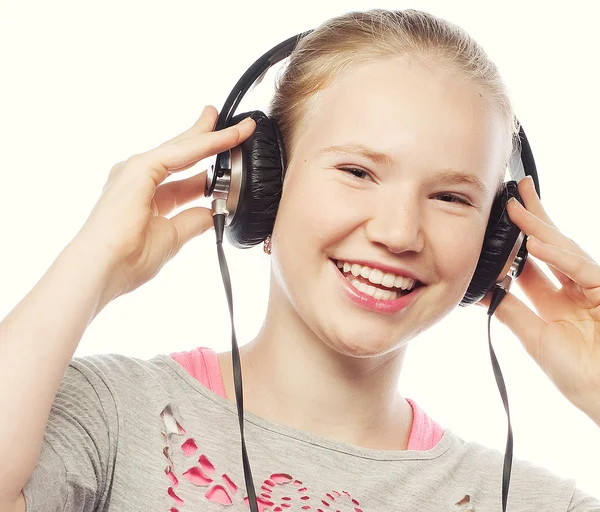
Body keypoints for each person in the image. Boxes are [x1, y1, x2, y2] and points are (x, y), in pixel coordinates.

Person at [0, 8, 599, 512]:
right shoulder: (108, 413)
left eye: (450, 197)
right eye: (357, 172)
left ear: (497, 241)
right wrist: (93, 261)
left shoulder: (526, 500)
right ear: (261, 187)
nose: (398, 233)